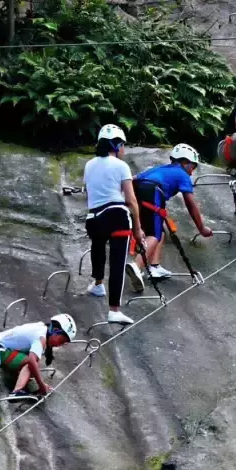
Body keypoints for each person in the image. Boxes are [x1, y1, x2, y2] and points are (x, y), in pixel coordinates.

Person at [126, 144, 214, 288]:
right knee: (155, 234)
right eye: (193, 167)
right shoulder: (182, 174)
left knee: (157, 230)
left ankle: (154, 267)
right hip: (154, 191)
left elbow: (133, 179)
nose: (192, 173)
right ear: (185, 163)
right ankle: (136, 265)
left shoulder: (160, 169)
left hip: (139, 192)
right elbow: (191, 204)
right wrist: (202, 228)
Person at [83, 124, 144, 324]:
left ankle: (98, 283)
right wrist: (137, 230)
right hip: (117, 215)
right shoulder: (121, 166)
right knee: (117, 262)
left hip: (93, 218)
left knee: (98, 247)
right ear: (116, 145)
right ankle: (114, 310)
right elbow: (131, 200)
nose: (124, 149)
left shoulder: (89, 164)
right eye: (123, 145)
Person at [0, 314, 76, 398]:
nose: (59, 345)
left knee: (34, 365)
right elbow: (31, 361)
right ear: (55, 330)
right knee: (32, 363)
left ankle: (17, 376)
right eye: (61, 340)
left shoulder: (43, 329)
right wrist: (41, 385)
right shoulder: (41, 336)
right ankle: (17, 391)